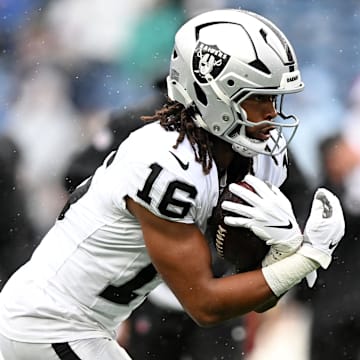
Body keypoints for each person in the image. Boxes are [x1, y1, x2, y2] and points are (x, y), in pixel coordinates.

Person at [0, 9, 345, 360]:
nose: (272, 113)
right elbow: (206, 306)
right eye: (257, 98)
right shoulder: (166, 160)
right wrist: (309, 256)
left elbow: (257, 296)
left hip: (89, 325)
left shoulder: (258, 159)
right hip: (48, 323)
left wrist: (281, 255)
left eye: (274, 98)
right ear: (214, 96)